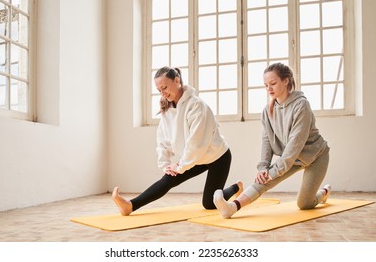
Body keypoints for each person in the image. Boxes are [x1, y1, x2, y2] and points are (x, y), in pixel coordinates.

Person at [112, 66, 242, 216]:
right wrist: (166, 164)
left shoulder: (196, 106)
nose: (162, 93)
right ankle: (130, 206)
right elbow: (162, 139)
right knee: (168, 179)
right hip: (195, 158)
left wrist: (180, 166)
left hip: (217, 157)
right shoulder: (167, 109)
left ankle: (236, 188)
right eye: (159, 90)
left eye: (165, 87)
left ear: (177, 80)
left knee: (208, 203)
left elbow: (197, 143)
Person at [213, 62, 331, 219]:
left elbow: (295, 144)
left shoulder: (301, 105)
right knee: (263, 179)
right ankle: (232, 208)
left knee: (304, 204)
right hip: (292, 159)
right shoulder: (267, 110)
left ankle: (323, 193)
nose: (269, 88)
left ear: (286, 81)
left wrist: (273, 172)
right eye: (266, 85)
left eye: (273, 83)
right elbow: (266, 140)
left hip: (316, 156)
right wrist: (263, 168)